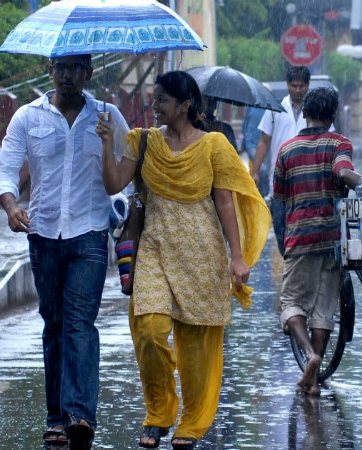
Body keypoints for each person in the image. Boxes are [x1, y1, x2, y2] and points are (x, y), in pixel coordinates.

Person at [96, 70, 270, 450]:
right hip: (155, 246)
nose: (154, 106)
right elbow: (113, 184)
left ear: (185, 106)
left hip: (202, 253)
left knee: (197, 347)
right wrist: (107, 144)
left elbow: (225, 201)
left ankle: (191, 422)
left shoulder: (214, 146)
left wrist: (236, 258)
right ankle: (159, 412)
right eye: (153, 99)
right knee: (150, 330)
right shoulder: (141, 141)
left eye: (161, 100)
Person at [0, 54, 129, 450]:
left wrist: (122, 211)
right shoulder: (27, 117)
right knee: (55, 323)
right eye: (60, 68)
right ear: (50, 71)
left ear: (89, 73)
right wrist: (12, 206)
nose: (67, 76)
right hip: (43, 233)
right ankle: (55, 417)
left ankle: (80, 414)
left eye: (76, 68)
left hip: (91, 233)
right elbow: (6, 168)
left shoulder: (109, 117)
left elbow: (128, 174)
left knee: (80, 322)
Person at [274, 87, 360, 396]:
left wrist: (285, 241)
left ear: (305, 114)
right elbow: (342, 171)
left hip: (301, 236)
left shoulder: (286, 150)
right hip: (333, 239)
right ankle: (314, 377)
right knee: (324, 308)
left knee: (290, 303)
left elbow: (280, 201)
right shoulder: (340, 143)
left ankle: (311, 356)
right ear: (334, 115)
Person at [251, 65, 317, 254]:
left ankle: (298, 264)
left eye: (301, 86)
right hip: (279, 181)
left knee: (304, 229)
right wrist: (255, 171)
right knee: (280, 228)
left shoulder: (315, 108)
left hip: (307, 182)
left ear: (307, 85)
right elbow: (264, 141)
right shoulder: (275, 109)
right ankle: (288, 260)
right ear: (288, 85)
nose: (297, 90)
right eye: (294, 85)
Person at [241, 106, 269, 196]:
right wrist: (243, 138)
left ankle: (263, 195)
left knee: (266, 170)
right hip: (251, 142)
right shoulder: (251, 106)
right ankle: (264, 194)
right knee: (262, 169)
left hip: (265, 142)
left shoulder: (270, 109)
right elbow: (245, 123)